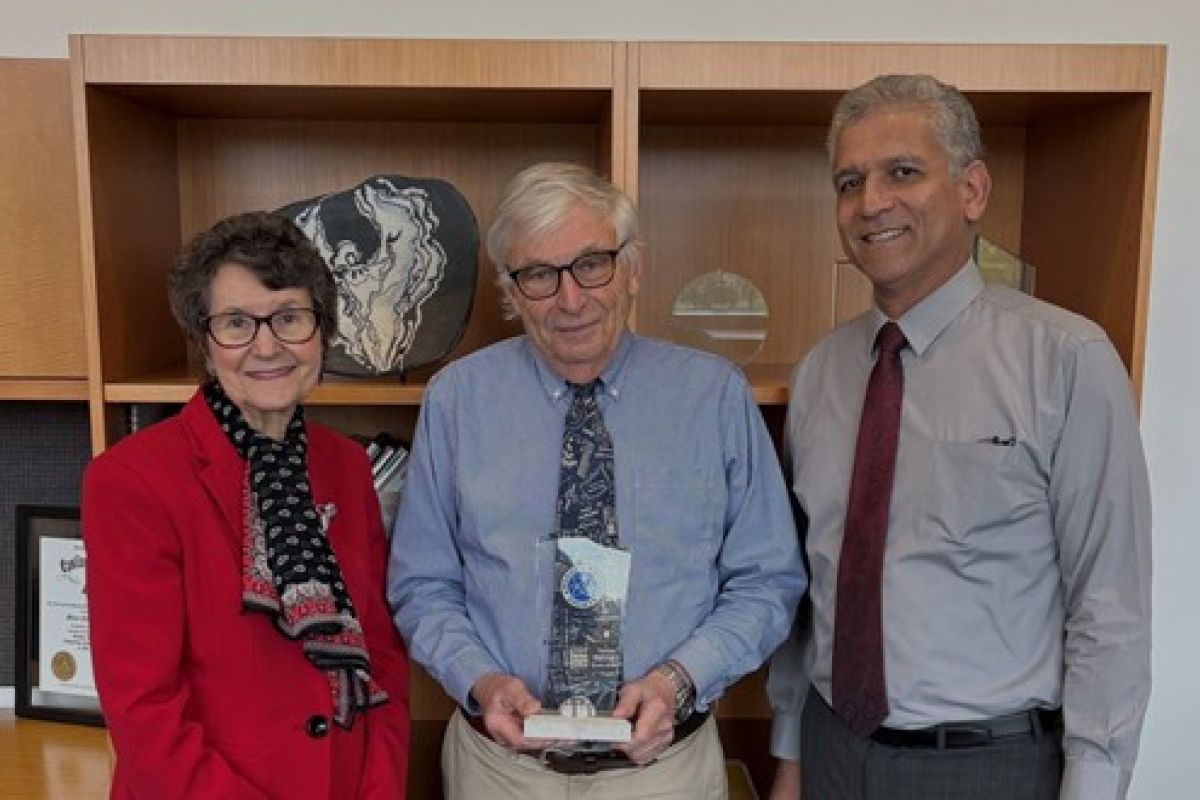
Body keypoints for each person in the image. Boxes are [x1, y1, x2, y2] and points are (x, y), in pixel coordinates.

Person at [766, 74, 1151, 800]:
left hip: (987, 767)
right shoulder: (821, 372)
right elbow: (812, 591)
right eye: (850, 182)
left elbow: (1110, 605)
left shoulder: (1066, 360)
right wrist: (790, 754)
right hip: (831, 751)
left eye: (902, 172)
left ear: (973, 190)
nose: (871, 202)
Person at [388, 162, 806, 798]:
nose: (571, 299)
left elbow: (767, 581)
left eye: (592, 263)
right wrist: (480, 680)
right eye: (538, 275)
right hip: (499, 772)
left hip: (665, 773)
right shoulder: (456, 402)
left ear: (632, 269)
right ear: (510, 290)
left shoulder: (713, 397)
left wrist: (678, 680)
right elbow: (422, 584)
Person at [82, 211, 410, 799]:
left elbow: (381, 657)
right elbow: (143, 708)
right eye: (236, 323)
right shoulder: (130, 481)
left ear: (321, 332)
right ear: (205, 342)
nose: (266, 346)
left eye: (289, 317)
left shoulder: (347, 468)